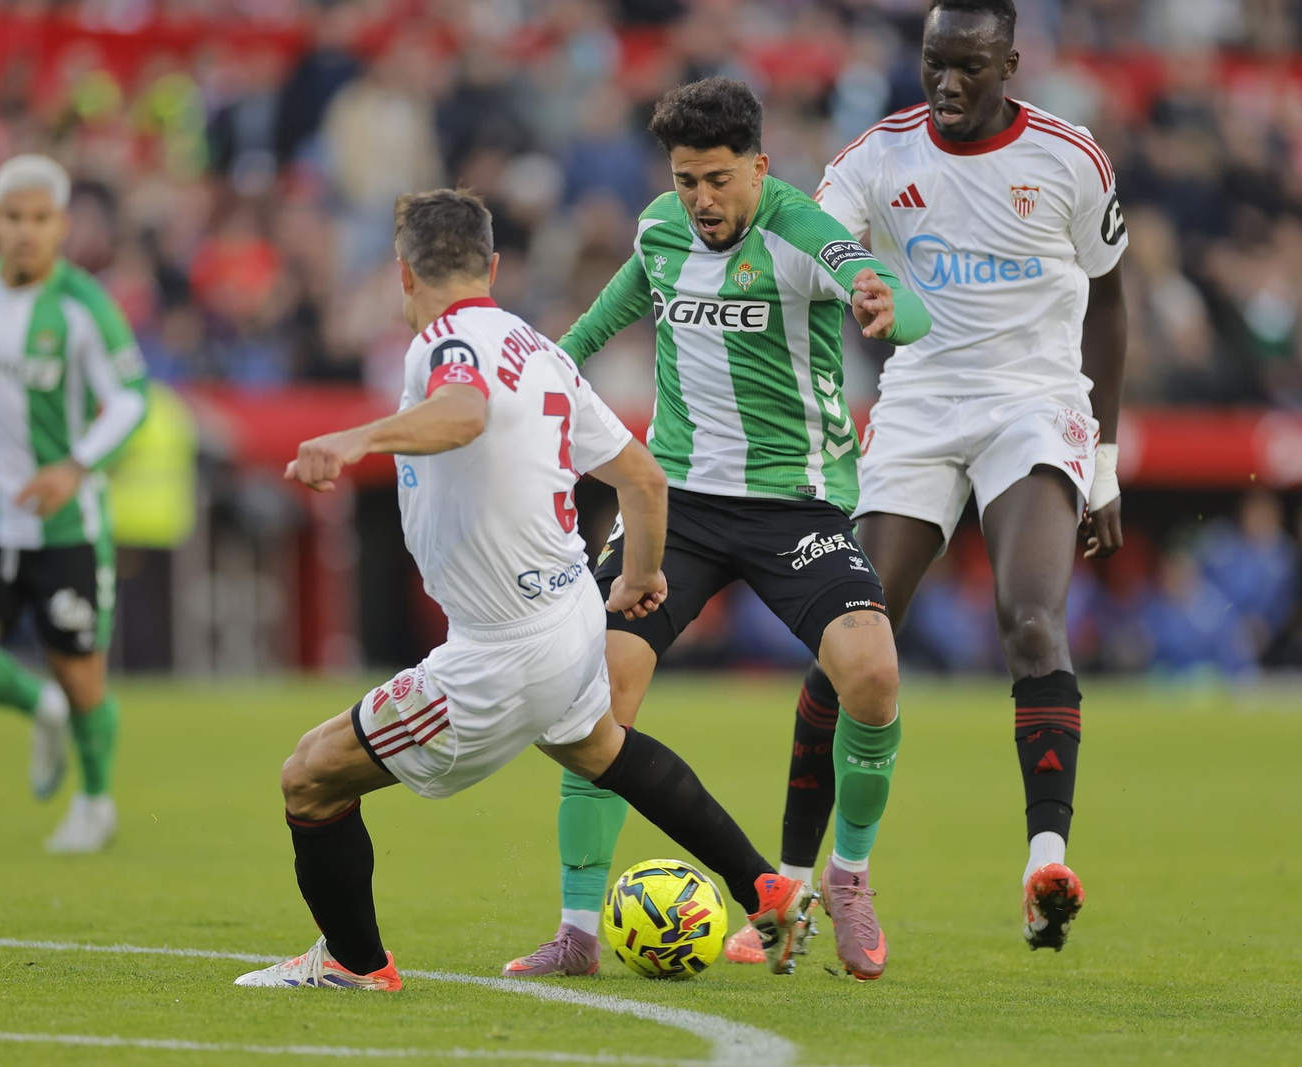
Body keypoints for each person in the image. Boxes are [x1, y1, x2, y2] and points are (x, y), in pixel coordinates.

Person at [234, 190, 816, 990]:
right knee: (600, 747)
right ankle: (766, 887)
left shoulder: (444, 342)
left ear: (402, 273)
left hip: (500, 649)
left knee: (309, 775)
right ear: (494, 266)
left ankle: (353, 963)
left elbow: (463, 412)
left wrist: (355, 435)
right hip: (569, 611)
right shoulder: (538, 346)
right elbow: (643, 478)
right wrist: (642, 575)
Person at [502, 78, 932, 983]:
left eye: (718, 180)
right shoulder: (660, 230)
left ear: (761, 168)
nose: (700, 200)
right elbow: (598, 323)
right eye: (686, 178)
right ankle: (579, 931)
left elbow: (880, 281)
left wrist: (882, 298)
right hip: (680, 506)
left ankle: (847, 879)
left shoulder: (798, 229)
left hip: (796, 508)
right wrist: (528, 383)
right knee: (596, 699)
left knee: (874, 674)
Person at [758, 0, 1130, 955]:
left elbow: (1110, 299)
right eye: (934, 62)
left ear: (1010, 60)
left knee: (1032, 620)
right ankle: (794, 886)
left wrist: (1104, 461)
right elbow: (808, 257)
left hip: (1032, 401)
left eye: (969, 65)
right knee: (854, 643)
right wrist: (846, 288)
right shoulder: (877, 159)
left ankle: (1046, 860)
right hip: (919, 402)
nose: (947, 82)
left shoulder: (1069, 159)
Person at [0, 155, 148, 854]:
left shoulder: (83, 307)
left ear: (62, 225)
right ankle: (37, 706)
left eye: (40, 219)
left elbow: (131, 399)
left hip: (67, 525)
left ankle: (95, 803)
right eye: (12, 217)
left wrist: (76, 466)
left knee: (83, 678)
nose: (25, 231)